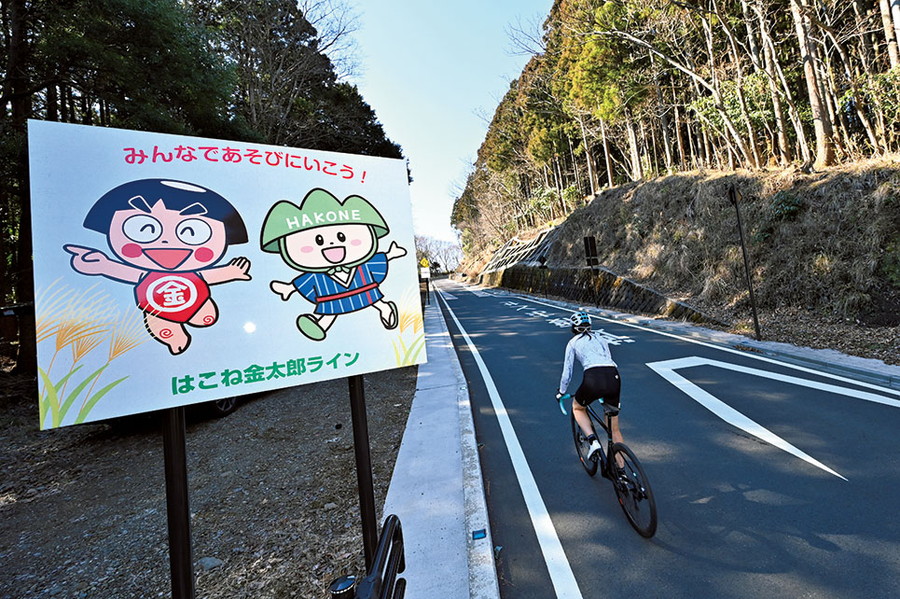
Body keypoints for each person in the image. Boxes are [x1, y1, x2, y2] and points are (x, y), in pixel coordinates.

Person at [557, 310, 624, 463]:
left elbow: (567, 372)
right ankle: (622, 472)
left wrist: (561, 392)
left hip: (594, 378)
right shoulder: (601, 338)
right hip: (613, 376)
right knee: (614, 429)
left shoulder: (573, 342)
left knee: (578, 408)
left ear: (573, 328)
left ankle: (593, 442)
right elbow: (607, 359)